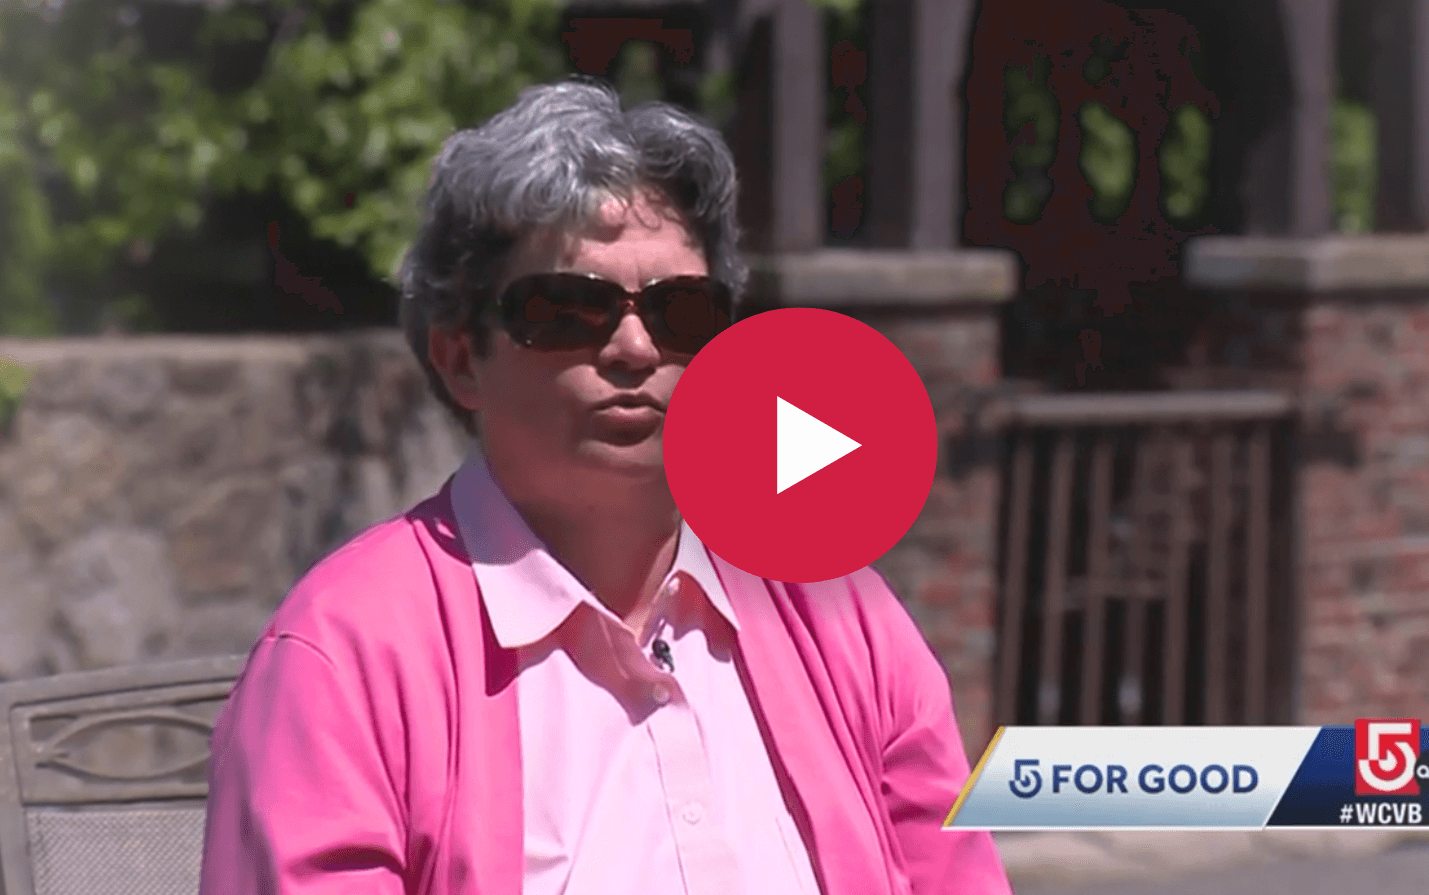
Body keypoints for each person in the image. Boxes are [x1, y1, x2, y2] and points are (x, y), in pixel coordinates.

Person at [199, 76, 1012, 895]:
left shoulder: (839, 614)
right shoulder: (345, 656)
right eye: (566, 309)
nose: (633, 347)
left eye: (680, 311)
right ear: (459, 357)